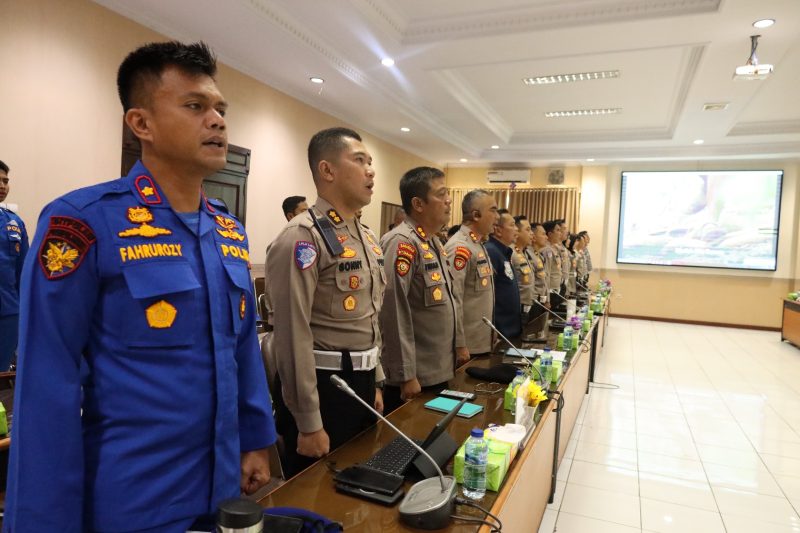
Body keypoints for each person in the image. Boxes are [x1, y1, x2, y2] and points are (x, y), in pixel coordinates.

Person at [4, 41, 277, 532]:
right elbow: (46, 384)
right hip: (133, 497)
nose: (217, 120)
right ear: (141, 124)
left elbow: (242, 349)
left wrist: (256, 437)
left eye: (220, 108)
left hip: (222, 488)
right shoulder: (83, 221)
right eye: (194, 105)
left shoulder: (228, 229)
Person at [267, 127, 385, 477]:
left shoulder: (365, 236)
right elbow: (291, 334)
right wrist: (308, 420)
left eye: (370, 162)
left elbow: (370, 315)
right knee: (316, 493)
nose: (371, 170)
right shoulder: (302, 236)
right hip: (323, 388)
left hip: (361, 383)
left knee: (358, 484)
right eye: (359, 160)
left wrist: (376, 379)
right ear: (327, 170)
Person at [379, 167, 459, 413]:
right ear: (418, 204)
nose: (448, 200)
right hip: (414, 377)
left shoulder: (432, 241)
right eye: (441, 194)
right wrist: (405, 373)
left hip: (436, 368)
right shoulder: (402, 242)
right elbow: (392, 310)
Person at [445, 190, 497, 359]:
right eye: (493, 210)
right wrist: (459, 344)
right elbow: (454, 301)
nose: (497, 217)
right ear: (476, 215)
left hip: (480, 341)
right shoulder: (460, 247)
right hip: (467, 347)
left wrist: (491, 331)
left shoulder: (477, 244)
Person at [0, 160, 28, 371]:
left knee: (2, 370)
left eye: (5, 181)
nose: (3, 186)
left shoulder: (14, 223)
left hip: (8, 311)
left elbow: (23, 271)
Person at [485, 210, 521, 340]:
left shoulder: (503, 251)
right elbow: (488, 294)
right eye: (512, 225)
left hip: (510, 328)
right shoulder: (491, 251)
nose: (516, 229)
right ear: (498, 230)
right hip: (500, 329)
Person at [511, 215, 535, 315]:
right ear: (517, 232)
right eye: (528, 230)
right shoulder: (511, 253)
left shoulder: (523, 252)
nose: (532, 233)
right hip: (517, 307)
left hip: (527, 307)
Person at [542, 220, 563, 308]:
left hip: (555, 289)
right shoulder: (547, 250)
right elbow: (546, 274)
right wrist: (547, 298)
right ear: (550, 234)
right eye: (557, 230)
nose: (560, 233)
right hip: (550, 291)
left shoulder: (554, 248)